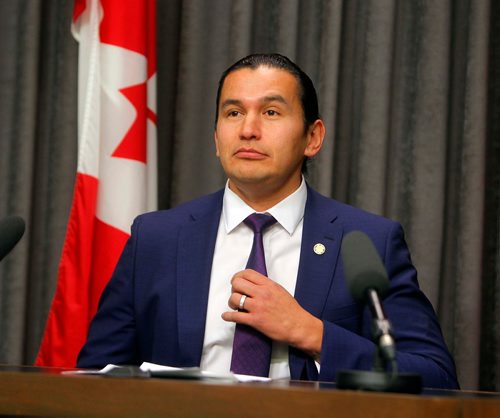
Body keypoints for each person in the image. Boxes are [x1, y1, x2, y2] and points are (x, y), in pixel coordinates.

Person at [77, 53, 459, 389]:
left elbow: (435, 376)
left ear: (313, 137)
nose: (248, 129)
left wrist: (311, 333)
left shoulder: (368, 241)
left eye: (271, 112)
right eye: (233, 113)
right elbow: (96, 375)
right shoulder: (157, 238)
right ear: (215, 138)